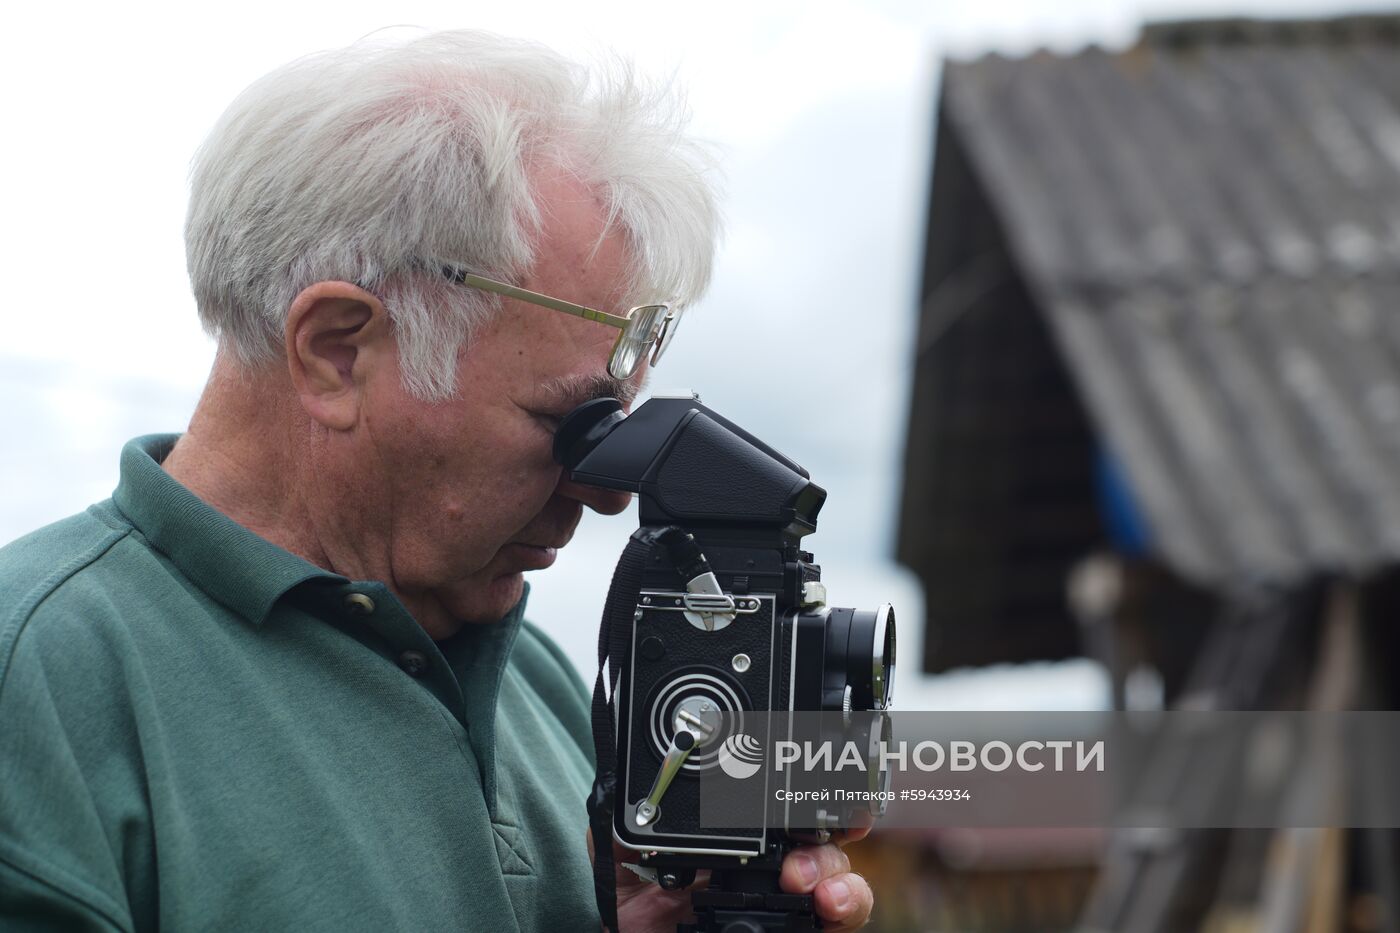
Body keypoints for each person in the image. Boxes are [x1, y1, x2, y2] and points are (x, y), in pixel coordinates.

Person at [0, 29, 874, 932]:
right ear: (337, 351)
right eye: (568, 423)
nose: (610, 492)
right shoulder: (40, 674)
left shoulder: (538, 680)